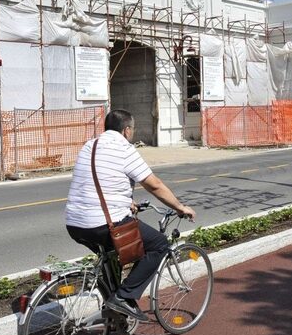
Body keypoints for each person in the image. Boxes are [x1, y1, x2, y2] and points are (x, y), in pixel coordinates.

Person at [65, 109, 196, 322]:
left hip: (74, 223)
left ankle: (114, 314)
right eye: (132, 130)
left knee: (111, 258)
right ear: (126, 130)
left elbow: (99, 181)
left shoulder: (90, 145)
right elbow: (154, 185)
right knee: (159, 245)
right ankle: (123, 299)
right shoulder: (124, 148)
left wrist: (127, 202)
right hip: (104, 223)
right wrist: (180, 207)